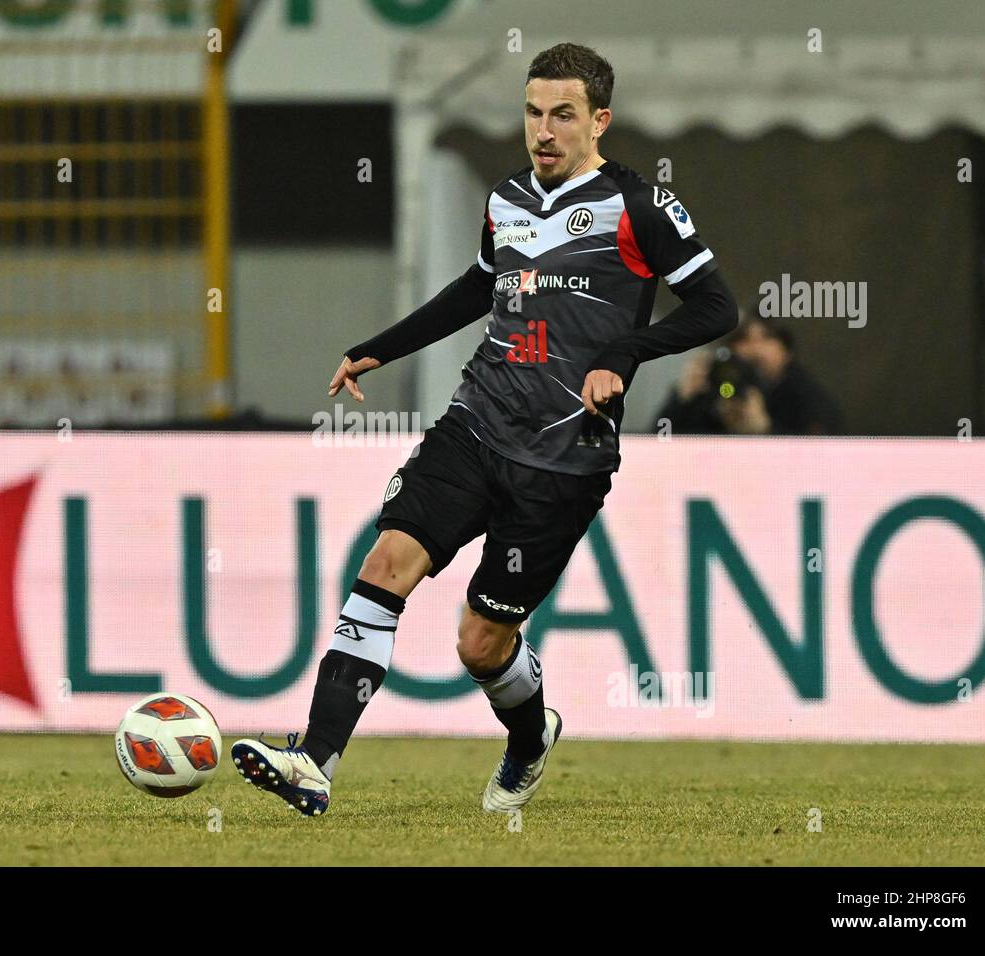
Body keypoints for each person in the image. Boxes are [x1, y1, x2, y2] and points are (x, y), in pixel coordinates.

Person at [230, 42, 737, 817]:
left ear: (600, 120)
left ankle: (530, 738)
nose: (544, 129)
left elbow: (715, 308)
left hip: (565, 457)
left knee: (481, 644)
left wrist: (626, 354)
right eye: (534, 112)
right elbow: (477, 287)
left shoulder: (638, 205)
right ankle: (315, 761)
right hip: (476, 420)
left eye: (563, 115)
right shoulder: (507, 201)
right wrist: (378, 347)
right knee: (387, 560)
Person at [658, 315, 842, 435]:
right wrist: (681, 399)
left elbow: (825, 451)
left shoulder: (804, 394)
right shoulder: (714, 385)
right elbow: (657, 440)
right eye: (743, 339)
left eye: (767, 337)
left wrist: (765, 430)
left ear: (787, 352)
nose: (755, 348)